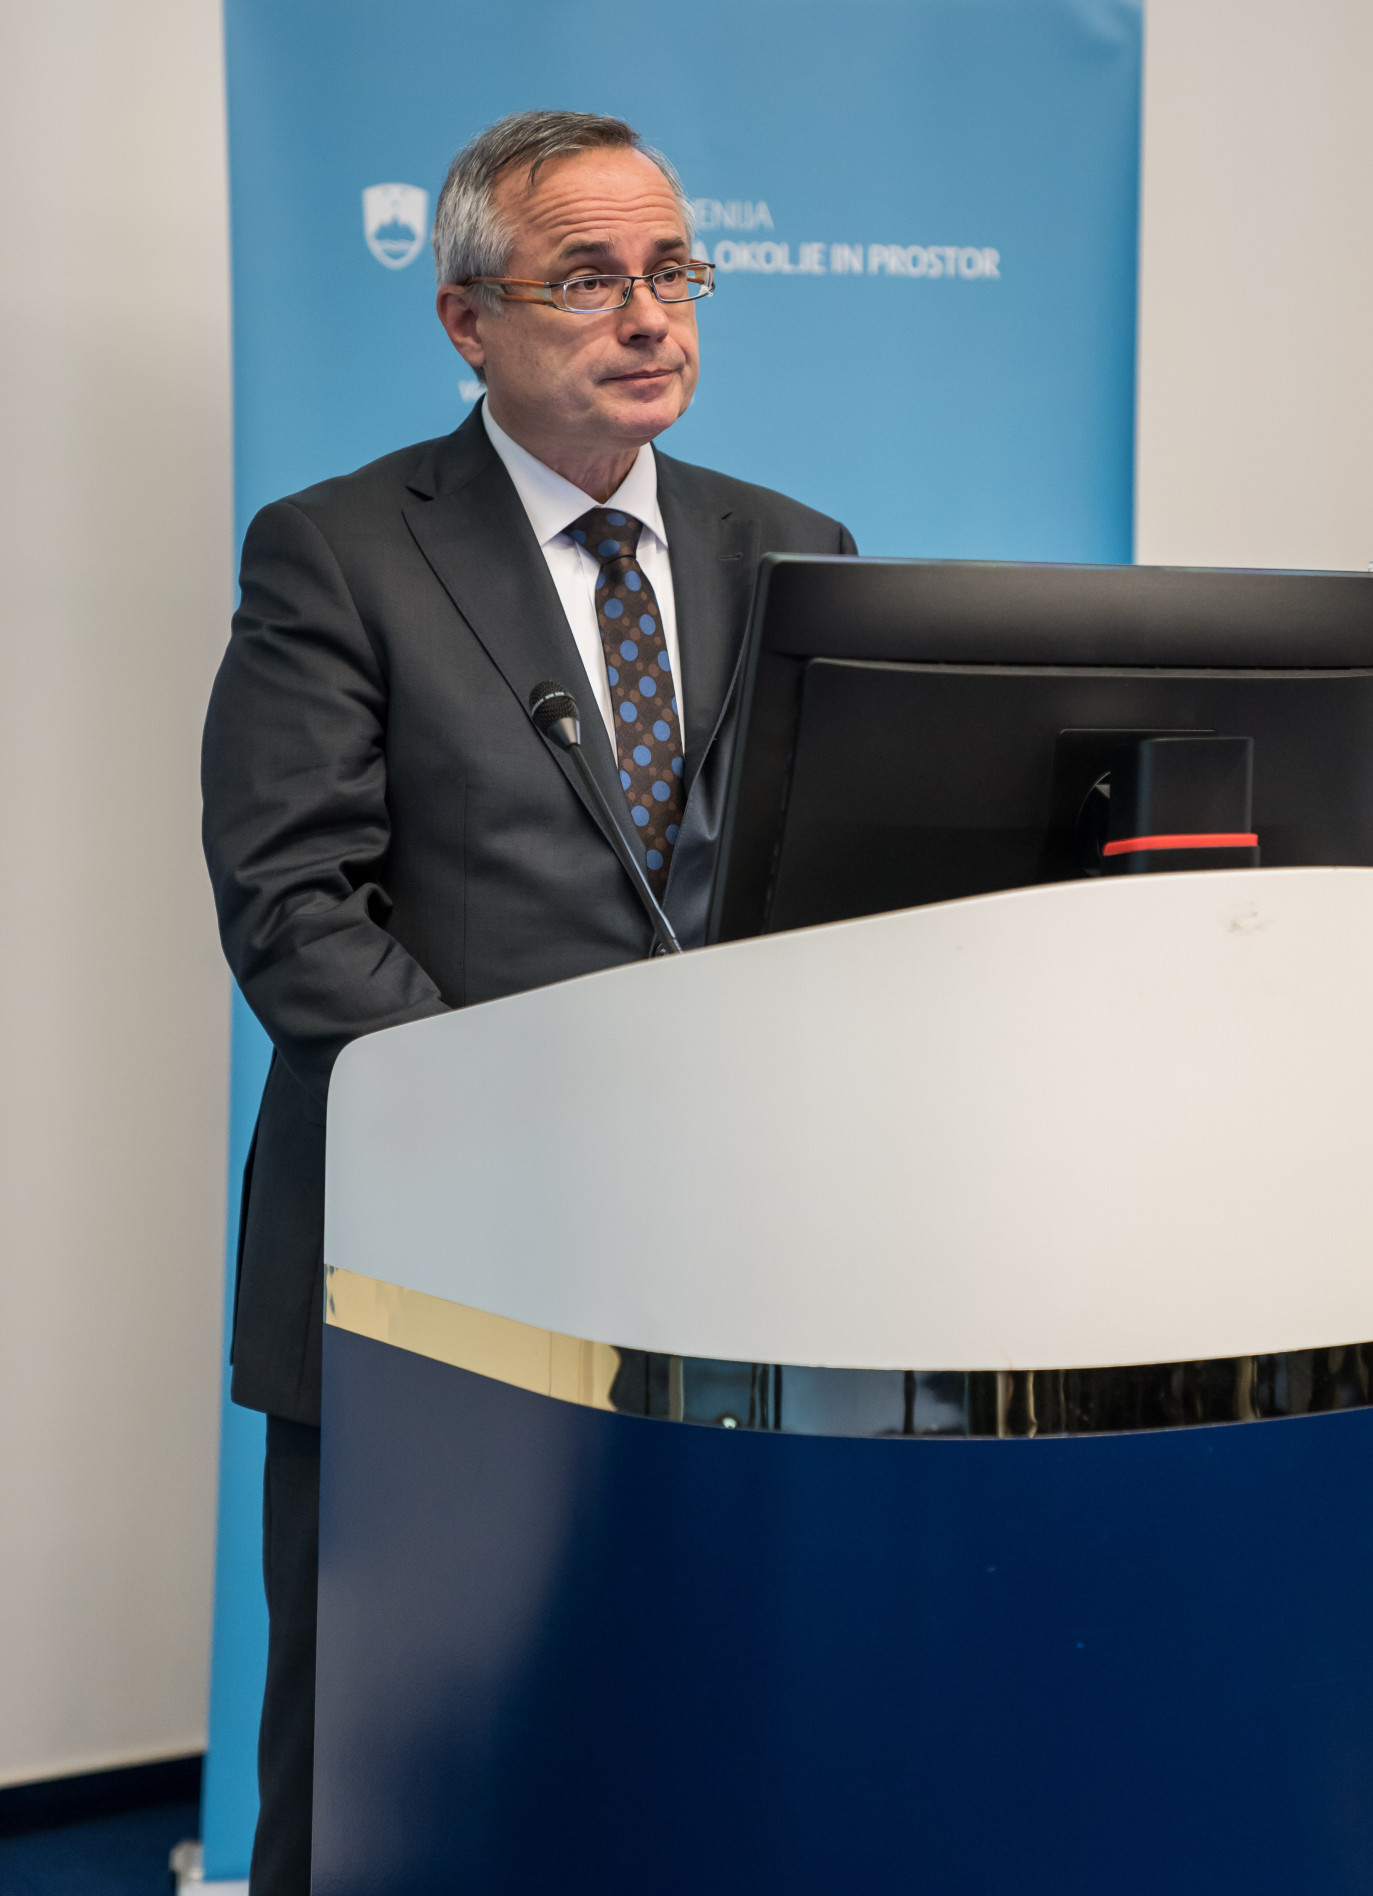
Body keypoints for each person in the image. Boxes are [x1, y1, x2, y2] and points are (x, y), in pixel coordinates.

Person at [201, 108, 857, 1896]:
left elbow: (828, 890)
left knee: (680, 1748)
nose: (647, 316)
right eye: (587, 279)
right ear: (467, 320)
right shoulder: (339, 550)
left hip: (727, 1279)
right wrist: (533, 1135)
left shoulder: (795, 550)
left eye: (671, 272)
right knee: (384, 1770)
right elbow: (294, 910)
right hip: (428, 1271)